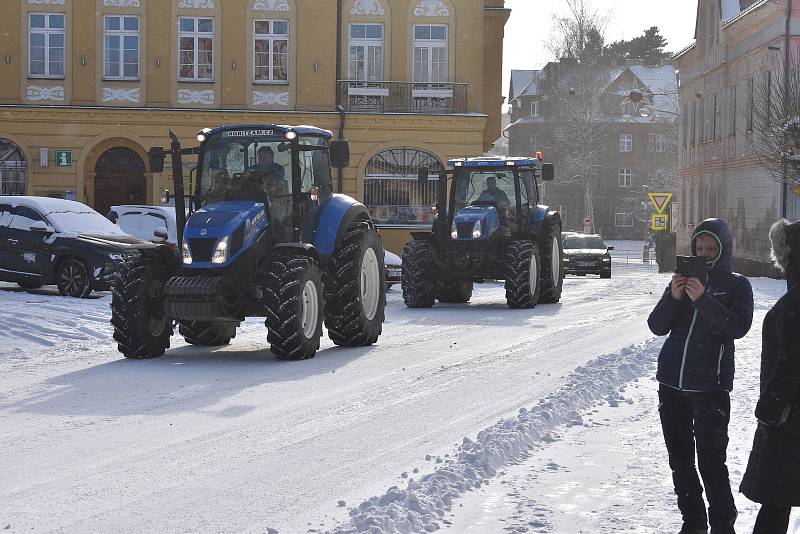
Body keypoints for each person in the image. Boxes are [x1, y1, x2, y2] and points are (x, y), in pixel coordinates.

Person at [647, 218, 754, 534]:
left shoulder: (736, 285)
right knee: (680, 462)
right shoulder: (680, 281)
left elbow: (737, 327)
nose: (704, 253)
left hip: (710, 389)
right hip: (671, 386)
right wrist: (674, 297)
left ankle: (723, 526)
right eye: (699, 248)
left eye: (711, 248)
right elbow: (656, 326)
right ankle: (692, 523)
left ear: (723, 250)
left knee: (710, 463)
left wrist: (703, 299)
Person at [740, 219, 800, 534]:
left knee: (776, 504)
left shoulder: (793, 305)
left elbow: (791, 362)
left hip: (790, 424)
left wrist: (770, 409)